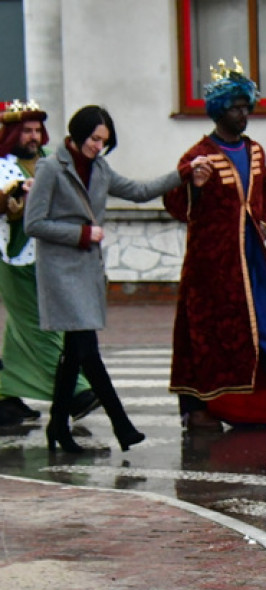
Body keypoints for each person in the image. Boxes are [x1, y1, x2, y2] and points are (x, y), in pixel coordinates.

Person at [25, 105, 209, 452]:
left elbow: (139, 191)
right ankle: (122, 426)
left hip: (87, 269)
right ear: (79, 133)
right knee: (87, 351)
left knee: (74, 353)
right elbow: (33, 223)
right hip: (61, 272)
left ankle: (57, 426)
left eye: (104, 141)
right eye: (95, 139)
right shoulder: (51, 167)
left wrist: (183, 173)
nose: (98, 147)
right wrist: (82, 234)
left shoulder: (100, 167)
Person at [165, 58, 266, 432]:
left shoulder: (256, 150)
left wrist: (263, 221)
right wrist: (193, 185)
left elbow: (264, 190)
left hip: (252, 259)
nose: (242, 114)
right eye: (235, 108)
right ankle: (201, 406)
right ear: (219, 111)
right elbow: (175, 204)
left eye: (246, 107)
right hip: (211, 267)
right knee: (205, 335)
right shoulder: (197, 155)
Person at [0, 100, 98, 426]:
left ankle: (4, 395)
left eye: (36, 130)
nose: (32, 136)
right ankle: (76, 391)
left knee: (24, 327)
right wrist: (16, 192)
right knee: (39, 324)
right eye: (25, 131)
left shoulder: (49, 160)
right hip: (14, 258)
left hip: (51, 255)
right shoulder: (3, 165)